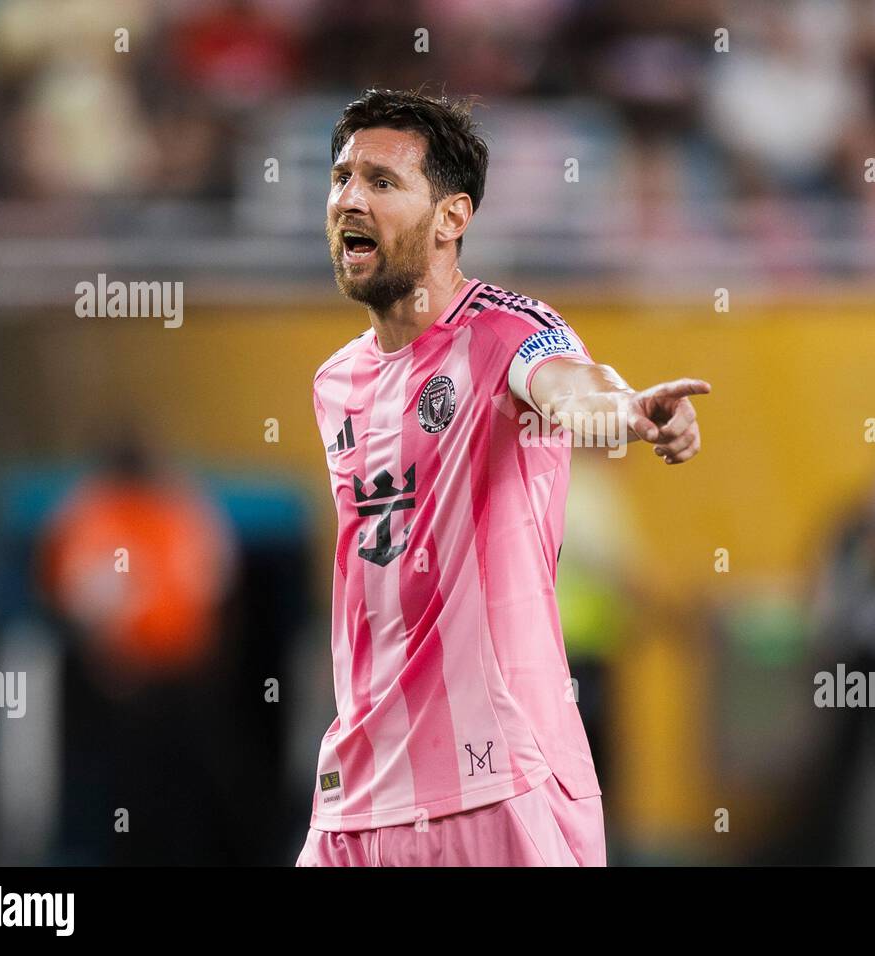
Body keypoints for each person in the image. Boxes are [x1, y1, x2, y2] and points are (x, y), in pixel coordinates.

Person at [295, 88, 709, 867]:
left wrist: (628, 411)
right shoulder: (334, 383)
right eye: (342, 176)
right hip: (357, 790)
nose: (350, 198)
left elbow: (567, 385)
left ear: (451, 218)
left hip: (492, 783)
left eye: (382, 182)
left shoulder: (505, 331)